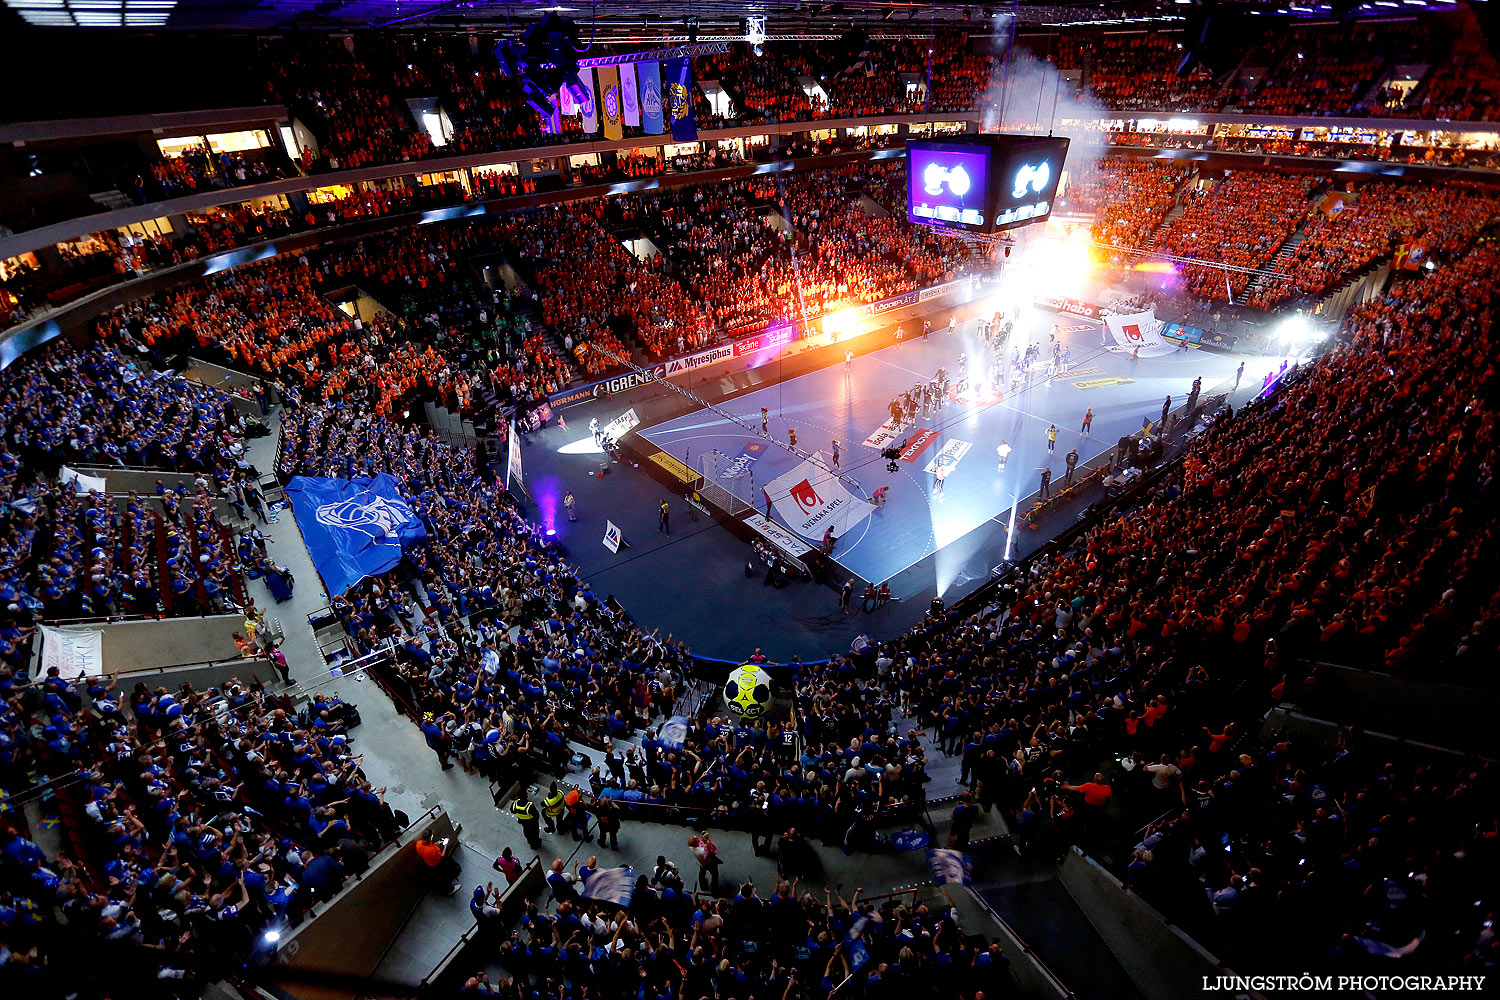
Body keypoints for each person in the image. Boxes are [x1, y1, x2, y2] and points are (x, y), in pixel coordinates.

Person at [415, 828, 462, 895]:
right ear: (430, 838)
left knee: (438, 879)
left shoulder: (419, 844)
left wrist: (437, 843)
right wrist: (445, 845)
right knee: (442, 879)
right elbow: (442, 856)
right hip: (436, 864)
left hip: (428, 864)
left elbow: (428, 847)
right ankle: (451, 890)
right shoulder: (432, 850)